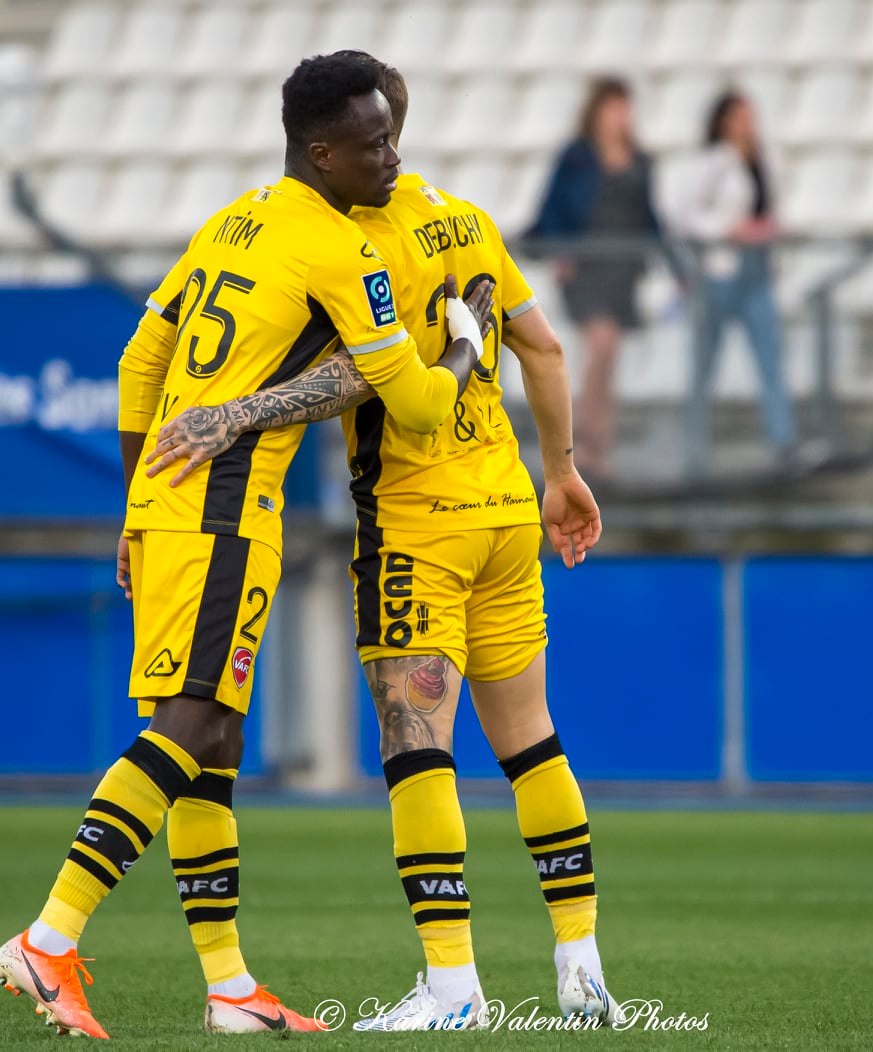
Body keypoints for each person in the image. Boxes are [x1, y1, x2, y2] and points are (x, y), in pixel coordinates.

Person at [0, 51, 493, 1039]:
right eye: (373, 144)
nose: (392, 157)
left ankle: (229, 986)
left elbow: (143, 358)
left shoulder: (238, 216)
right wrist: (466, 337)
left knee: (212, 743)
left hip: (178, 503)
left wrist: (135, 505)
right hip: (226, 507)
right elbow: (426, 408)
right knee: (190, 724)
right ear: (321, 151)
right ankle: (49, 937)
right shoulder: (341, 253)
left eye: (392, 136)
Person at [144, 54, 615, 1032]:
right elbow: (545, 346)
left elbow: (366, 379)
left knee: (417, 747)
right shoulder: (470, 218)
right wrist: (560, 471)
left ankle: (453, 988)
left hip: (415, 521)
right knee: (532, 739)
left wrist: (241, 411)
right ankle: (582, 966)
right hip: (503, 513)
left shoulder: (356, 233)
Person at [525, 77, 669, 480]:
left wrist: (674, 263)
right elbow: (551, 210)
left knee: (609, 357)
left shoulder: (639, 160)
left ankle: (599, 445)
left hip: (623, 272)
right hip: (587, 270)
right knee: (601, 345)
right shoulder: (576, 157)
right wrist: (558, 250)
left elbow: (651, 218)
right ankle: (583, 443)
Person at [678, 89, 796, 473]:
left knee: (771, 357)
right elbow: (688, 216)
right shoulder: (714, 164)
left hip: (757, 270)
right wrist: (729, 230)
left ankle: (783, 443)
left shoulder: (765, 160)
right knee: (705, 363)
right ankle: (694, 448)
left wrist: (768, 230)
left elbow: (772, 208)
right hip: (720, 273)